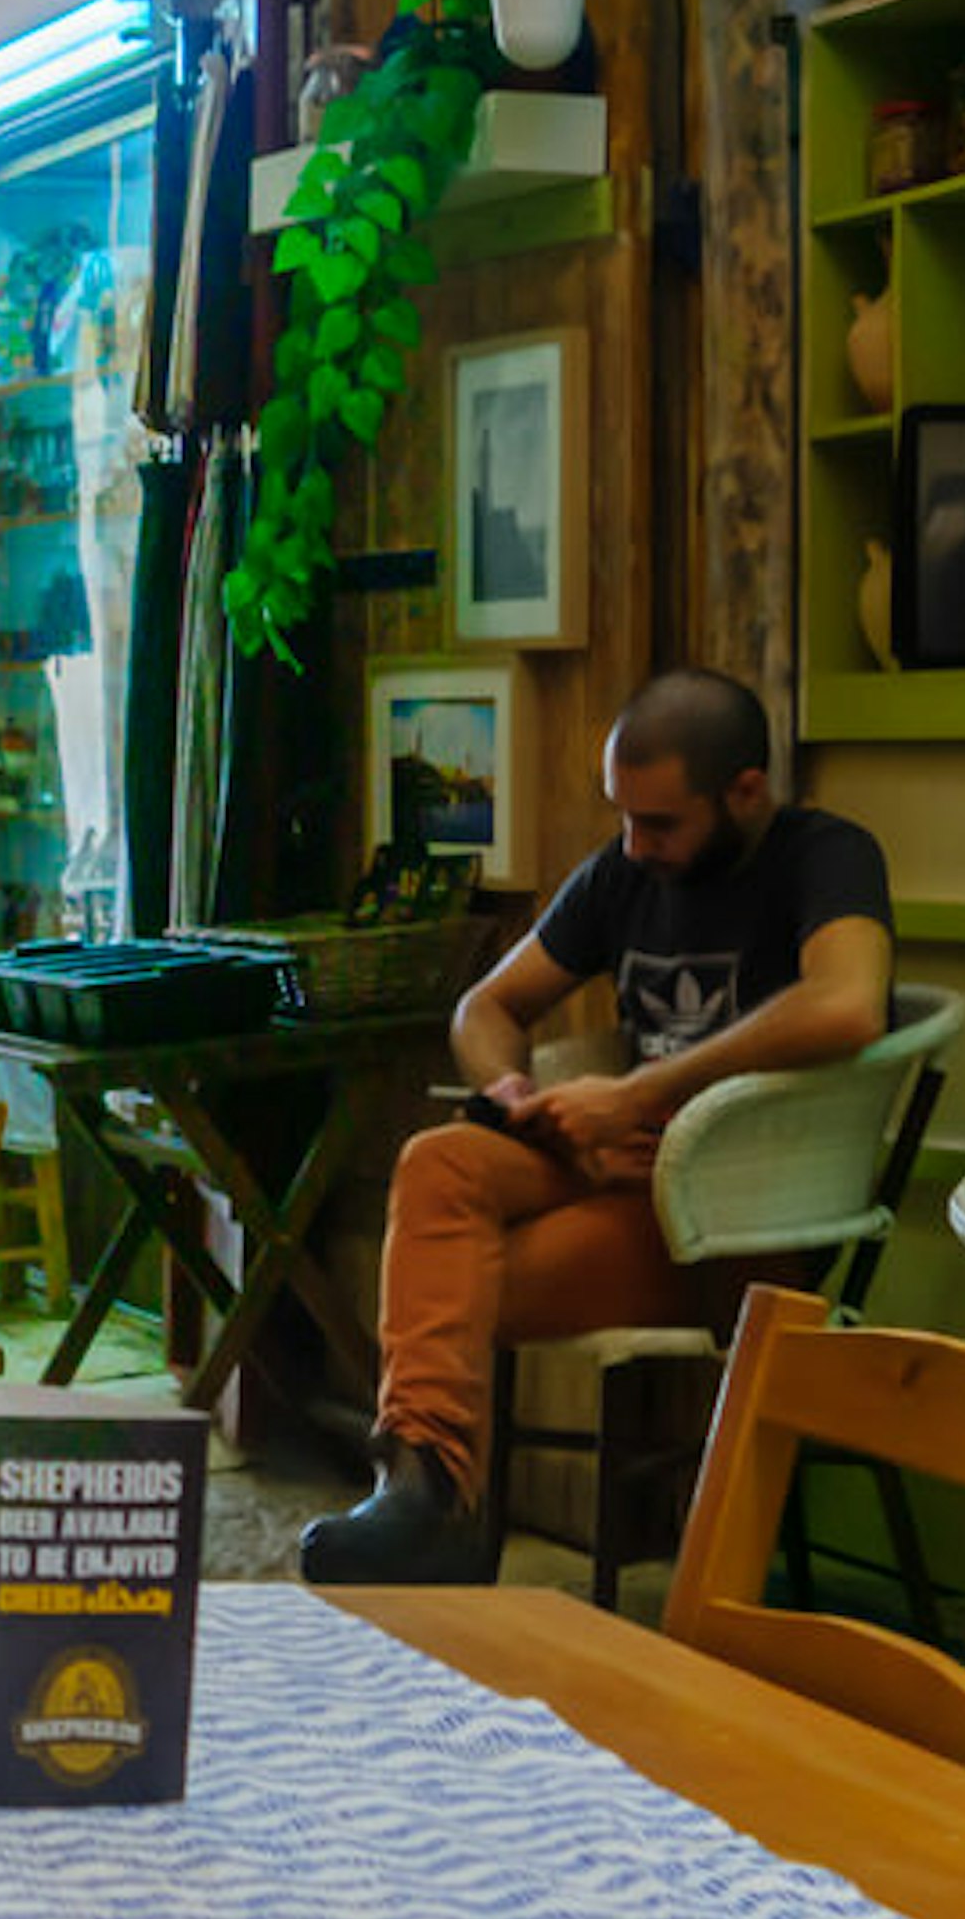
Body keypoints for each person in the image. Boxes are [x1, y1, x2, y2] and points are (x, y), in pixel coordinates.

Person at [297, 665, 894, 1588]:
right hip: (620, 1169)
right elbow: (484, 1007)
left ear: (745, 792)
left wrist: (642, 1092)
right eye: (621, 815)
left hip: (738, 1214)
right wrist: (517, 1096)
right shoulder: (624, 872)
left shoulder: (825, 856)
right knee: (442, 1161)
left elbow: (849, 1006)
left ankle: (442, 1515)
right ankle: (423, 1490)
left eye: (659, 822)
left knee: (451, 1287)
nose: (633, 843)